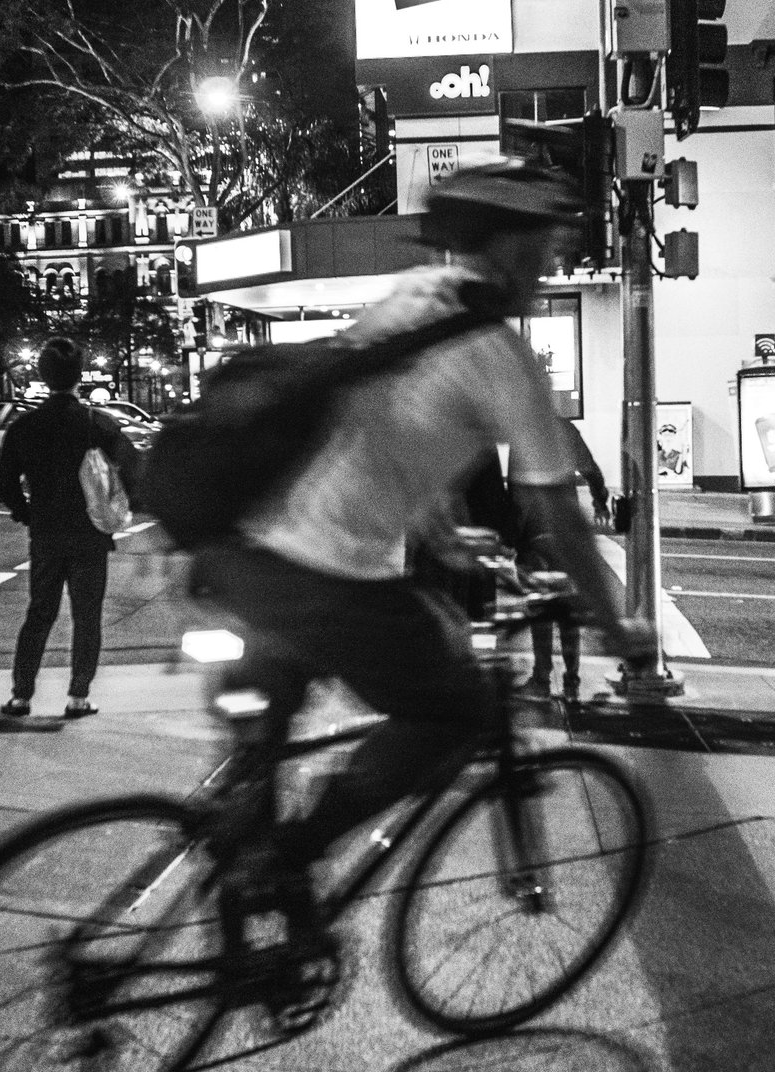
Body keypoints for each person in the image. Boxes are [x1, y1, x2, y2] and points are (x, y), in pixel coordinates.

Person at [191, 156, 656, 889]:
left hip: (246, 550)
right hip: (328, 574)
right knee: (454, 713)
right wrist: (618, 627)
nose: (552, 260)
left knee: (266, 739)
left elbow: (376, 426)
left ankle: (243, 868)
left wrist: (441, 533)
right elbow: (558, 514)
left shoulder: (413, 297)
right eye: (547, 244)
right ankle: (288, 858)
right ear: (509, 246)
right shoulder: (502, 356)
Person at [0, 337, 139, 719]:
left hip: (46, 532)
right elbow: (135, 468)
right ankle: (78, 695)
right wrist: (119, 507)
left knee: (39, 612)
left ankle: (21, 694)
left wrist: (27, 514)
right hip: (90, 534)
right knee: (87, 615)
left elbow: (6, 483)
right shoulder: (98, 424)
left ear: (42, 375)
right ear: (79, 377)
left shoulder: (25, 426)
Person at [514, 415, 613, 701]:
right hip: (564, 531)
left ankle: (542, 676)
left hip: (532, 532)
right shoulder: (565, 430)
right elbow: (591, 470)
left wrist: (511, 533)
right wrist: (600, 502)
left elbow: (516, 493)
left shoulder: (521, 429)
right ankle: (571, 679)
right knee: (568, 608)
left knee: (540, 607)